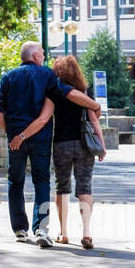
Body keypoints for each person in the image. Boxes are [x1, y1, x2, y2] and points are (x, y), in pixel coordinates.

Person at [0, 41, 101, 248]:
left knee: (15, 182)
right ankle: (41, 228)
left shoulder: (8, 77)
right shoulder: (47, 76)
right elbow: (71, 93)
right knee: (41, 181)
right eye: (42, 53)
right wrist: (94, 105)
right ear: (35, 56)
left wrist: (12, 134)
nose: (44, 56)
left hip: (16, 140)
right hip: (40, 140)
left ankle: (20, 230)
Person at [49, 55, 107, 249]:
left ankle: (64, 233)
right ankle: (87, 233)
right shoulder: (84, 92)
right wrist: (101, 145)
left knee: (62, 187)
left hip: (61, 144)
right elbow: (94, 119)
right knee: (85, 187)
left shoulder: (55, 92)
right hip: (84, 145)